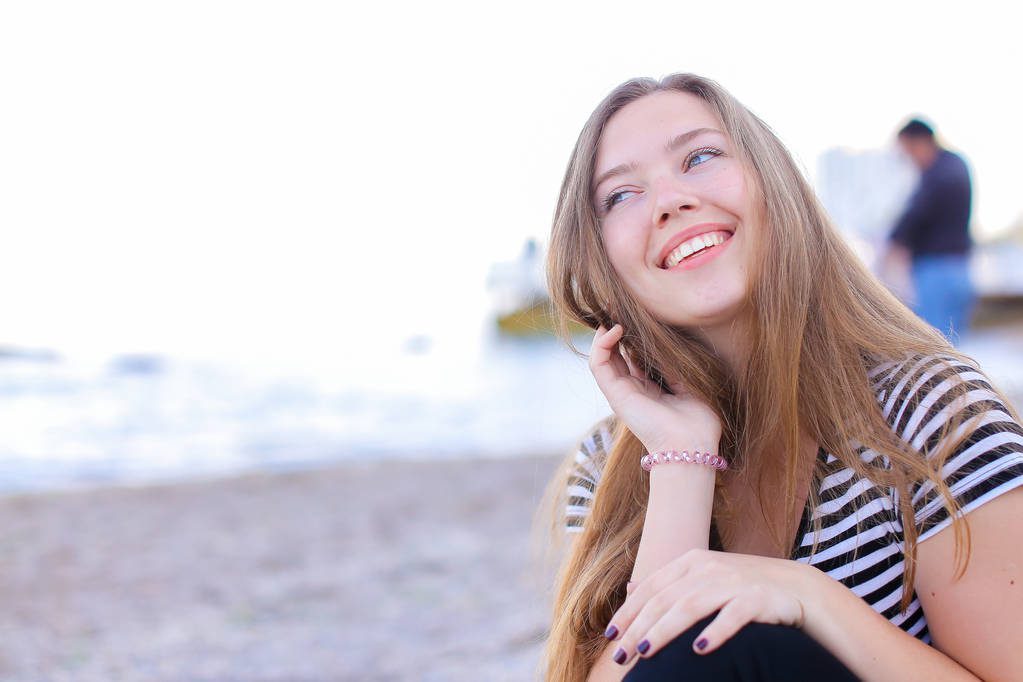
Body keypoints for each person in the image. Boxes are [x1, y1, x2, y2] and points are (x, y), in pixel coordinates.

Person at [539, 73, 1023, 682]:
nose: (668, 200)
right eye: (621, 195)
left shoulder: (933, 412)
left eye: (700, 157)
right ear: (599, 257)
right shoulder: (608, 463)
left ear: (774, 185)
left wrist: (807, 596)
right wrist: (683, 458)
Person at [887, 118, 975, 343]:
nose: (909, 160)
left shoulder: (939, 174)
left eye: (908, 152)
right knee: (951, 344)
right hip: (959, 267)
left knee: (934, 343)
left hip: (937, 269)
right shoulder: (956, 165)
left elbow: (916, 214)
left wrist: (895, 242)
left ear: (921, 142)